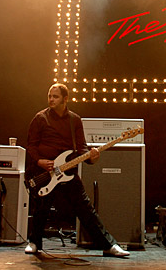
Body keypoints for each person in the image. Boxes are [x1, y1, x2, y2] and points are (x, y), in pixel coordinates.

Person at [24, 83, 129, 257]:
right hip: (45, 172)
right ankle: (34, 242)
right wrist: (40, 161)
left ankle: (109, 245)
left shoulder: (75, 120)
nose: (51, 99)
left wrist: (92, 156)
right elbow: (31, 146)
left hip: (67, 172)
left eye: (55, 96)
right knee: (41, 209)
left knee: (85, 208)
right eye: (49, 96)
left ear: (65, 99)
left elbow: (81, 148)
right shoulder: (40, 118)